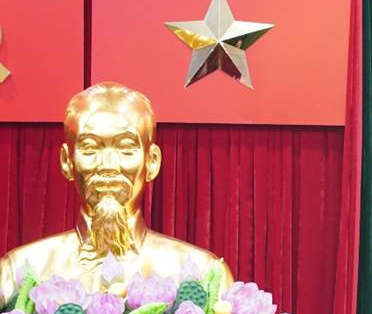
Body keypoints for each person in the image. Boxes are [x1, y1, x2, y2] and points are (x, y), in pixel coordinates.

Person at [0, 82, 232, 300]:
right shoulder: (18, 272)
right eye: (90, 147)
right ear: (66, 161)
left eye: (126, 147)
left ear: (152, 161)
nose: (108, 165)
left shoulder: (202, 275)